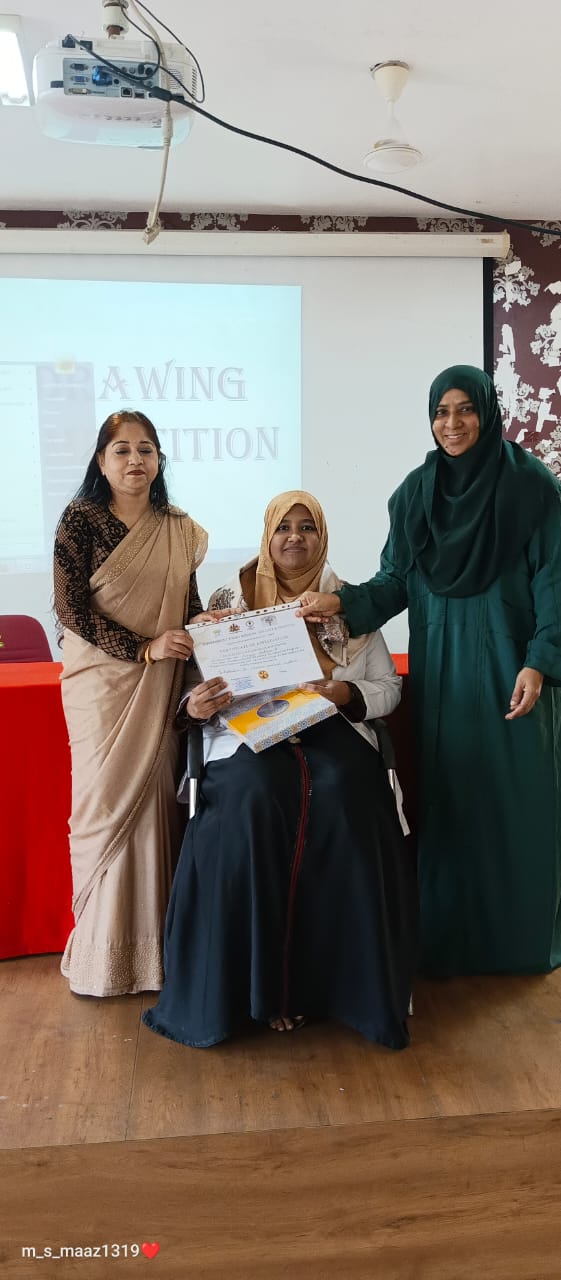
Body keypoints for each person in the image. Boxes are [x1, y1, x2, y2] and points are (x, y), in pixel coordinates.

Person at [298, 366, 561, 978]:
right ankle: (451, 941)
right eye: (441, 412)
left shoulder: (532, 487)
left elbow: (555, 581)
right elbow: (394, 581)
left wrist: (541, 662)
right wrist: (339, 602)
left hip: (513, 670)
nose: (452, 423)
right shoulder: (417, 493)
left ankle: (521, 943)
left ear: (488, 413)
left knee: (516, 803)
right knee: (456, 802)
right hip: (446, 673)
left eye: (465, 409)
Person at [142, 491, 417, 1051]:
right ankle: (254, 991)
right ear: (267, 537)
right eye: (283, 528)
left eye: (307, 527)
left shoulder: (349, 604)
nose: (295, 538)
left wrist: (343, 692)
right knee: (252, 797)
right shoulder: (228, 603)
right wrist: (197, 704)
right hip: (244, 735)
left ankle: (333, 989)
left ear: (323, 537)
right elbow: (188, 690)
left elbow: (388, 688)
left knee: (341, 792)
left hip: (330, 728)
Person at [53, 410, 208, 997]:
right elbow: (71, 609)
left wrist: (207, 626)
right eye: (121, 450)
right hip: (100, 686)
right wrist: (143, 648)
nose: (135, 460)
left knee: (154, 804)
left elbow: (187, 607)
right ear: (101, 461)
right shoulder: (81, 520)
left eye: (146, 449)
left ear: (160, 460)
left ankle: (153, 955)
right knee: (103, 808)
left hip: (159, 688)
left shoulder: (178, 529)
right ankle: (101, 956)